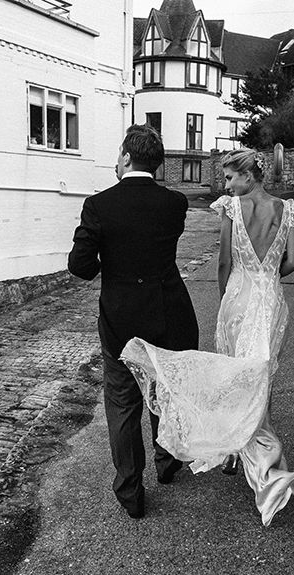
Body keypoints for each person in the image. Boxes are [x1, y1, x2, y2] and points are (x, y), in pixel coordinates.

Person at [121, 149, 294, 526]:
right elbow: (290, 261)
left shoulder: (231, 208)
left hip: (237, 300)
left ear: (248, 175)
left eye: (229, 178)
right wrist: (269, 279)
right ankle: (240, 453)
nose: (225, 186)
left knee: (235, 378)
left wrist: (226, 294)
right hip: (270, 301)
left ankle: (265, 471)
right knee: (260, 379)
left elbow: (224, 261)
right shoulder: (286, 208)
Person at [67, 124, 199, 519]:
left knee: (124, 403)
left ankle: (130, 492)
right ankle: (167, 461)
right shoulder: (175, 203)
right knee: (163, 390)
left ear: (125, 156)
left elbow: (80, 267)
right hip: (169, 312)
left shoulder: (99, 205)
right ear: (157, 162)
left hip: (121, 319)